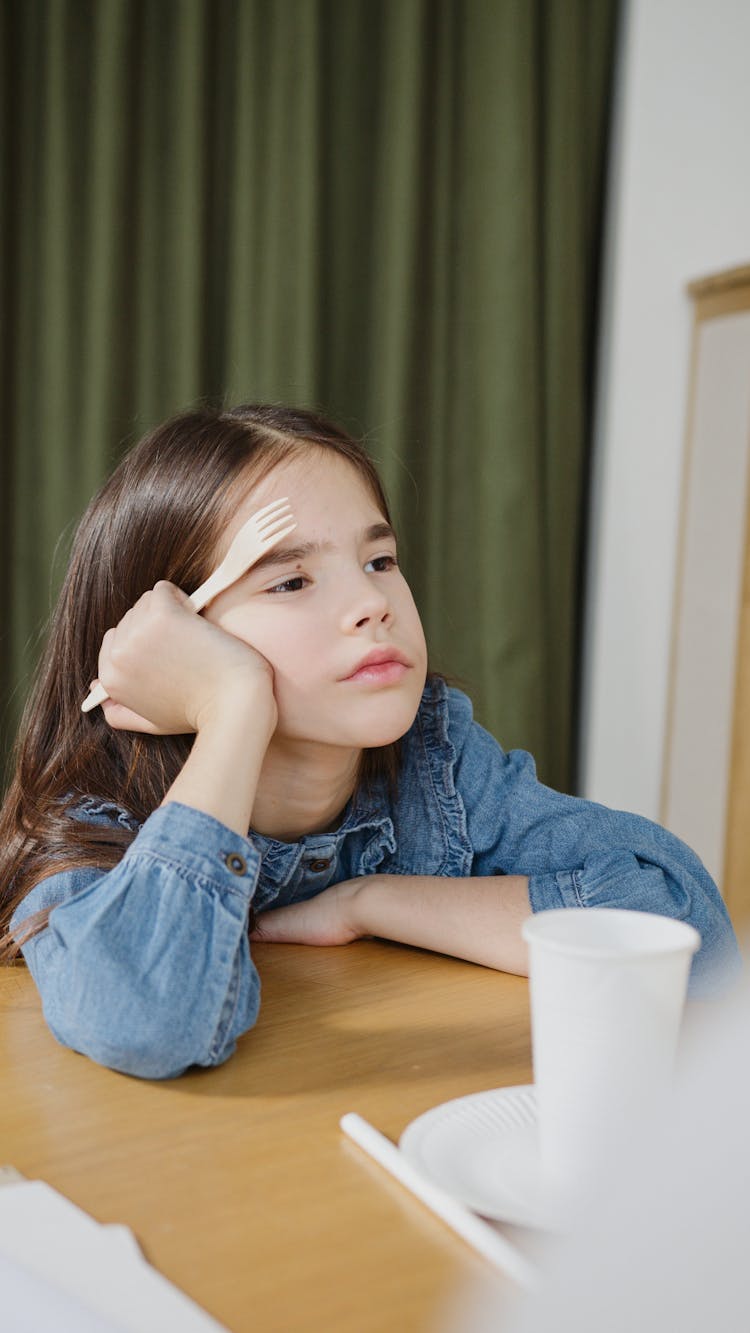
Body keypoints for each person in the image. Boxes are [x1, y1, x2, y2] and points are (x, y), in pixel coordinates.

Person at [0, 405, 740, 1079]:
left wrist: (372, 900)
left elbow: (686, 932)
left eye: (379, 561)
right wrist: (233, 708)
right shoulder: (90, 820)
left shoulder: (436, 760)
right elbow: (148, 1022)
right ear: (171, 638)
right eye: (291, 581)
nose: (369, 604)